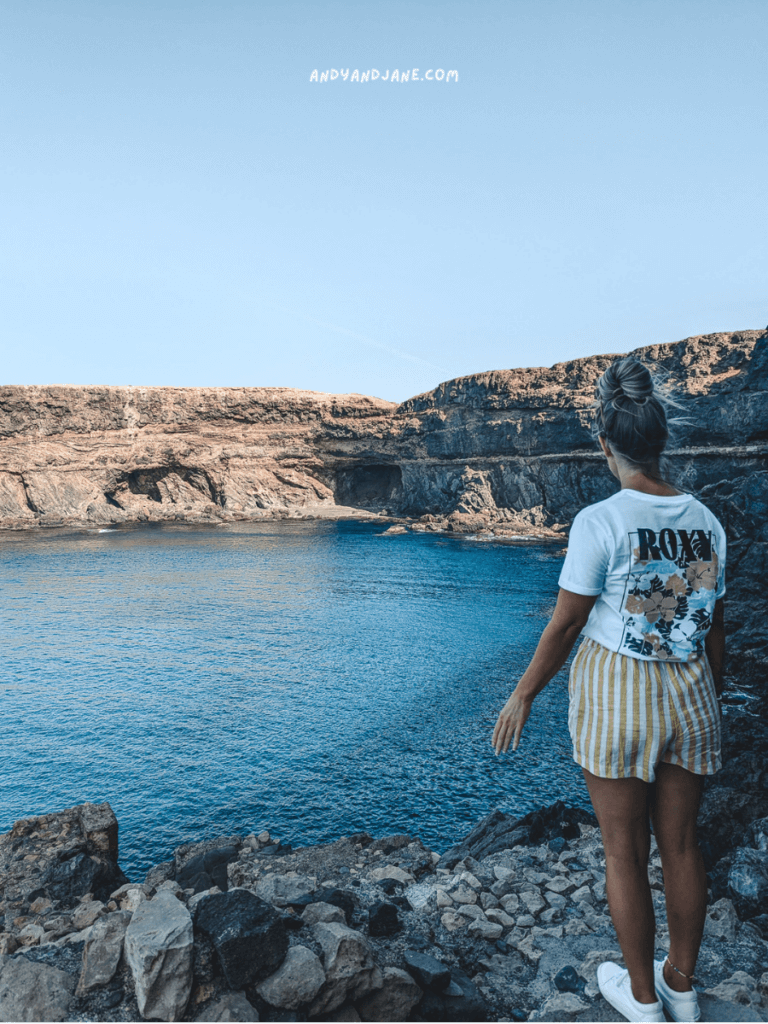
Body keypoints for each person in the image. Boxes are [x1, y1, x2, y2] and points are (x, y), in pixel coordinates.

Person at [492, 356, 725, 1024]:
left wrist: (524, 696)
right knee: (681, 846)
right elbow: (713, 625)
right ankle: (682, 984)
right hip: (692, 694)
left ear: (606, 444)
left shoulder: (600, 520)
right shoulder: (707, 521)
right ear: (661, 439)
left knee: (624, 853)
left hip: (619, 698)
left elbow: (566, 625)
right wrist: (715, 701)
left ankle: (644, 1002)